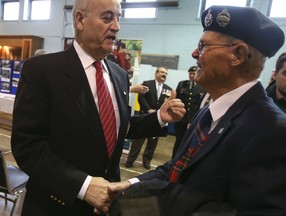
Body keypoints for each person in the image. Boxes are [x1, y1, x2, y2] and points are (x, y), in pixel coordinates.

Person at [10, 0, 185, 215]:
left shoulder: (119, 75)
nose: (117, 26)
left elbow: (118, 128)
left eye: (119, 18)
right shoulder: (42, 71)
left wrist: (159, 116)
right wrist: (83, 186)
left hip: (107, 205)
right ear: (80, 19)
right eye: (107, 17)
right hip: (56, 204)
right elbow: (28, 146)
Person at [110, 5, 286, 215]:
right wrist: (127, 186)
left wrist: (164, 201)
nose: (194, 53)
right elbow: (176, 169)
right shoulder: (208, 113)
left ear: (238, 54)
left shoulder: (272, 131)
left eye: (203, 46)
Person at [125, 67, 172, 169]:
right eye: (162, 72)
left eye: (166, 73)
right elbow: (141, 98)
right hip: (144, 117)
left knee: (152, 143)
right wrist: (149, 110)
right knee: (137, 141)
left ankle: (146, 161)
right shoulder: (147, 84)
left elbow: (167, 103)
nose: (164, 74)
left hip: (158, 120)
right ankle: (130, 160)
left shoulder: (168, 89)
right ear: (156, 73)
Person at [172, 65, 206, 158]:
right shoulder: (181, 84)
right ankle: (173, 160)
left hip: (193, 120)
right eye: (190, 73)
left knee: (189, 143)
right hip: (181, 119)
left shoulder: (202, 87)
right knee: (178, 141)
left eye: (194, 73)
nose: (191, 75)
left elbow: (200, 106)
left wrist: (192, 121)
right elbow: (176, 99)